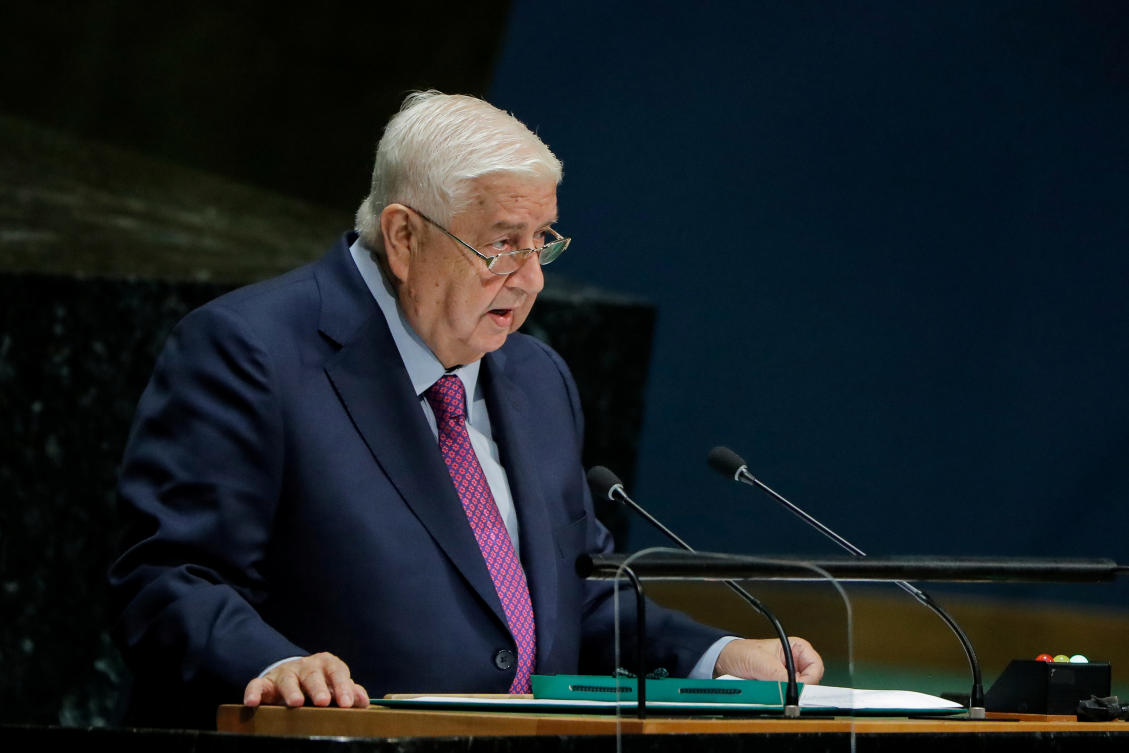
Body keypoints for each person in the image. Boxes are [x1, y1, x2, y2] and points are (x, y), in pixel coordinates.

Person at [109, 91, 823, 727]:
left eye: (541, 241)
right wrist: (274, 664)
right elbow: (170, 578)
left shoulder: (537, 377)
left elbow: (573, 597)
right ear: (404, 237)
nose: (532, 277)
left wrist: (716, 656)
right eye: (503, 243)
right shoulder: (251, 352)